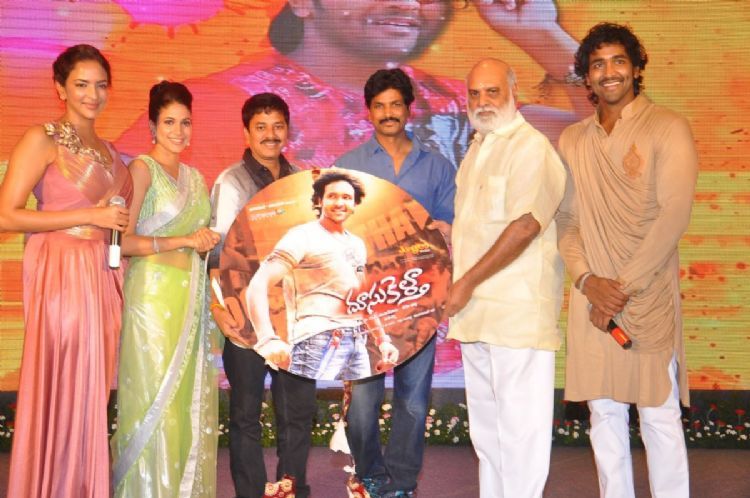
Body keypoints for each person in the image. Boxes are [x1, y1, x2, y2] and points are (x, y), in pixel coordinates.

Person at [115, 0, 588, 177]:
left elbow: (603, 142)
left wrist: (543, 36)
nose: (408, 3)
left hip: (442, 357)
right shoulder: (218, 102)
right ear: (303, 3)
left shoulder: (457, 105)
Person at [556, 22, 697, 497]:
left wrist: (619, 289)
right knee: (604, 415)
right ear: (586, 77)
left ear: (636, 68)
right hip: (592, 299)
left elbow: (673, 216)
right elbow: (566, 221)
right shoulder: (573, 140)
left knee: (658, 414)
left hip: (647, 296)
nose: (609, 72)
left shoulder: (668, 127)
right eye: (597, 64)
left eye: (619, 61)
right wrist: (587, 281)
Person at [0, 44, 132, 498]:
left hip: (103, 275)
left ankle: (82, 486)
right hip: (60, 271)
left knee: (92, 391)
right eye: (81, 84)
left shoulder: (112, 152)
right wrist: (90, 216)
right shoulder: (43, 138)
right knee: (62, 381)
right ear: (60, 88)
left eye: (100, 85)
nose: (92, 94)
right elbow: (6, 215)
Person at [445, 58, 566, 498]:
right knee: (488, 436)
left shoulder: (530, 147)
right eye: (474, 93)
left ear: (514, 92)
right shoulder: (478, 149)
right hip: (476, 317)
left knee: (519, 436)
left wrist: (465, 283)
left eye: (492, 91)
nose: (482, 101)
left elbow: (526, 226)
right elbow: (476, 227)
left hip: (516, 316)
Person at [335, 68, 455, 498]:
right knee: (362, 406)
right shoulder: (348, 165)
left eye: (396, 105)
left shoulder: (437, 166)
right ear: (369, 112)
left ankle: (401, 483)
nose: (388, 113)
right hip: (367, 301)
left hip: (420, 299)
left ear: (409, 109)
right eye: (379, 106)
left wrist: (438, 231)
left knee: (414, 402)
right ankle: (370, 477)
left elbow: (450, 227)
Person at [110, 81, 221, 497]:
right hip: (152, 299)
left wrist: (204, 241)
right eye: (169, 122)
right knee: (155, 401)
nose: (178, 131)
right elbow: (123, 242)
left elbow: (199, 239)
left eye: (185, 122)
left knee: (185, 401)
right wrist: (185, 240)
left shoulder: (195, 177)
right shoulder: (141, 170)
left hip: (190, 297)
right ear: (152, 126)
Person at [208, 93, 319, 498]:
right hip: (245, 316)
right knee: (245, 415)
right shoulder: (231, 181)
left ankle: (292, 489)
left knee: (297, 413)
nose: (270, 135)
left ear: (288, 131)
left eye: (278, 126)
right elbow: (218, 255)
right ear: (246, 133)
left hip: (296, 317)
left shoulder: (305, 183)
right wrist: (221, 307)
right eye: (261, 127)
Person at [247, 170, 400, 381]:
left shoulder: (356, 243)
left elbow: (362, 297)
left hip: (357, 341)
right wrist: (266, 338)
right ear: (319, 201)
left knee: (357, 403)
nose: (340, 203)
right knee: (305, 401)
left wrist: (383, 340)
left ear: (354, 204)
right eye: (332, 196)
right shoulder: (302, 236)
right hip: (317, 340)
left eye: (346, 197)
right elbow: (259, 282)